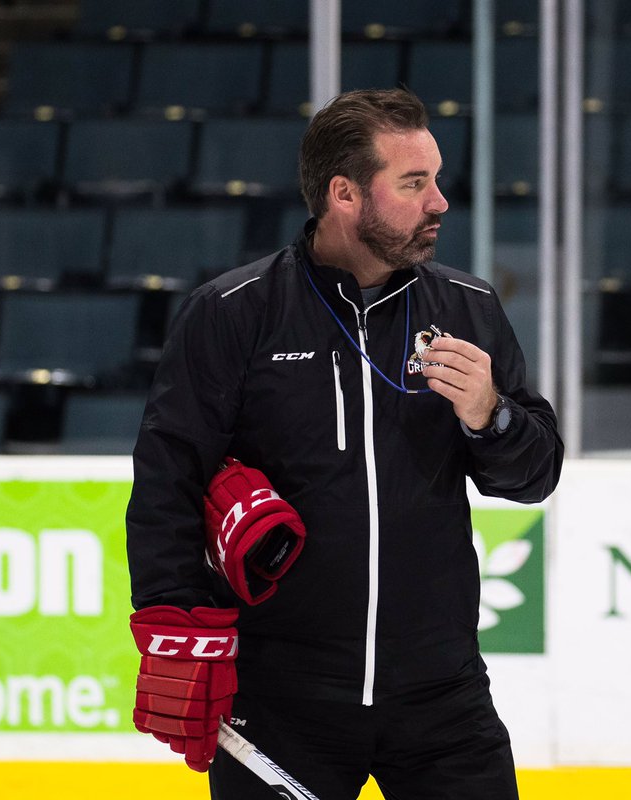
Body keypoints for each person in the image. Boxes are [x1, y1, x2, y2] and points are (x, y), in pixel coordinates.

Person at [126, 88, 563, 799]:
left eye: (437, 178)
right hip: (279, 701)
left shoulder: (468, 309)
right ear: (345, 194)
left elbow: (535, 475)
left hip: (439, 697)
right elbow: (167, 485)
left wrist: (492, 415)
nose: (440, 202)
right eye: (414, 183)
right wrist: (176, 626)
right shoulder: (235, 316)